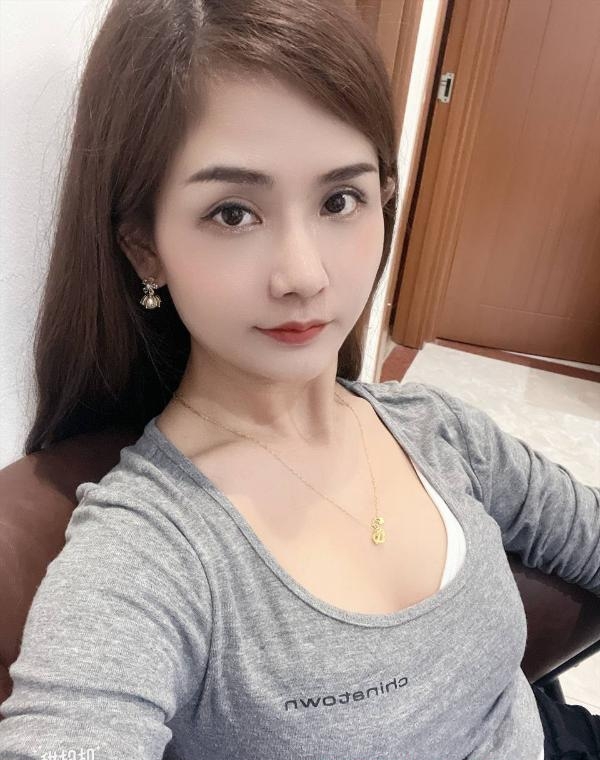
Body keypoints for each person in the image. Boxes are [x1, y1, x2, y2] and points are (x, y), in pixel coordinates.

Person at [0, 0, 598, 758]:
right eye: (232, 213)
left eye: (339, 201)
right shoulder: (151, 551)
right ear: (145, 247)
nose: (305, 275)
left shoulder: (438, 429)